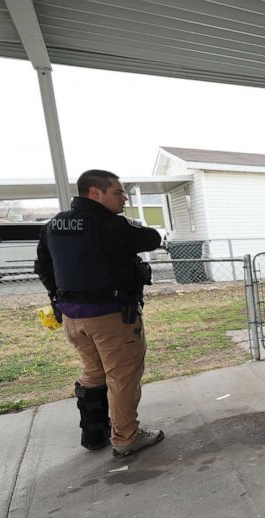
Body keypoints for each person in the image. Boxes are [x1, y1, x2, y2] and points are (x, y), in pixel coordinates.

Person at [34, 169, 165, 457]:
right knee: (122, 377)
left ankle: (94, 434)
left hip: (73, 318)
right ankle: (126, 437)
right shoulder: (111, 225)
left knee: (92, 375)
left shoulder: (53, 226)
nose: (124, 198)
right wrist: (128, 223)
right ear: (95, 192)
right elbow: (152, 238)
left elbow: (43, 267)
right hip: (111, 318)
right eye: (118, 192)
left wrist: (58, 300)